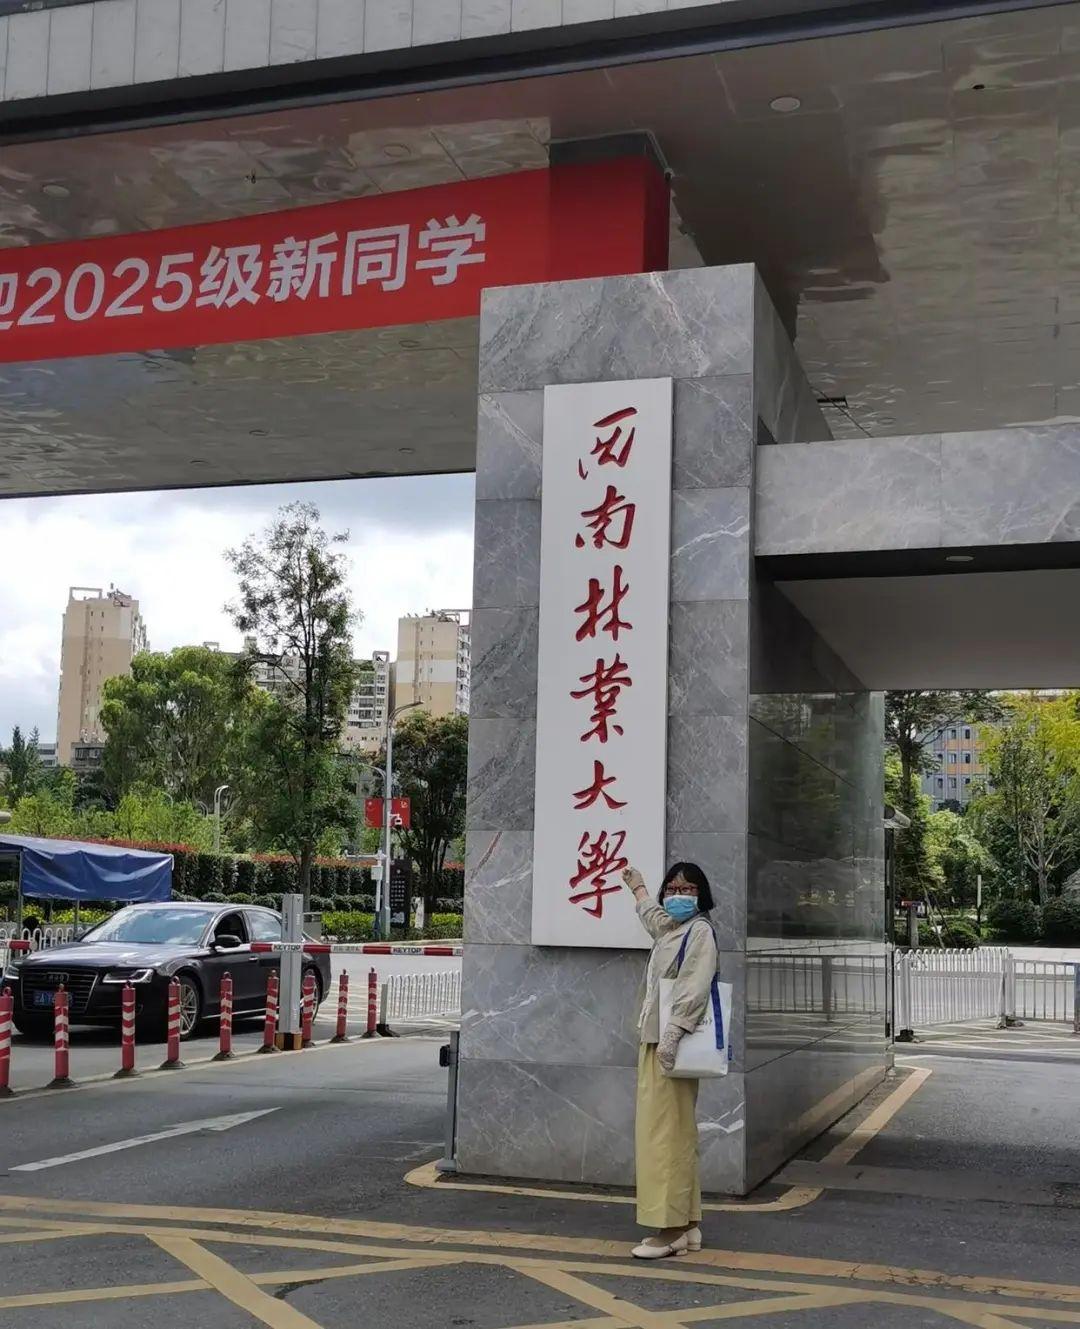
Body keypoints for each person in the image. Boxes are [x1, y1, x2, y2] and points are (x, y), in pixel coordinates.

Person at [624, 861, 718, 1260]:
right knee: (673, 1133)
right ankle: (688, 1224)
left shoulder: (700, 931)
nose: (679, 896)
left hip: (669, 1044)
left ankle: (671, 1230)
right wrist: (639, 889)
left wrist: (673, 1034)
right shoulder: (673, 929)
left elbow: (695, 985)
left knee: (663, 1138)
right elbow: (655, 920)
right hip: (657, 1041)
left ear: (701, 895)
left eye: (688, 889)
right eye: (673, 889)